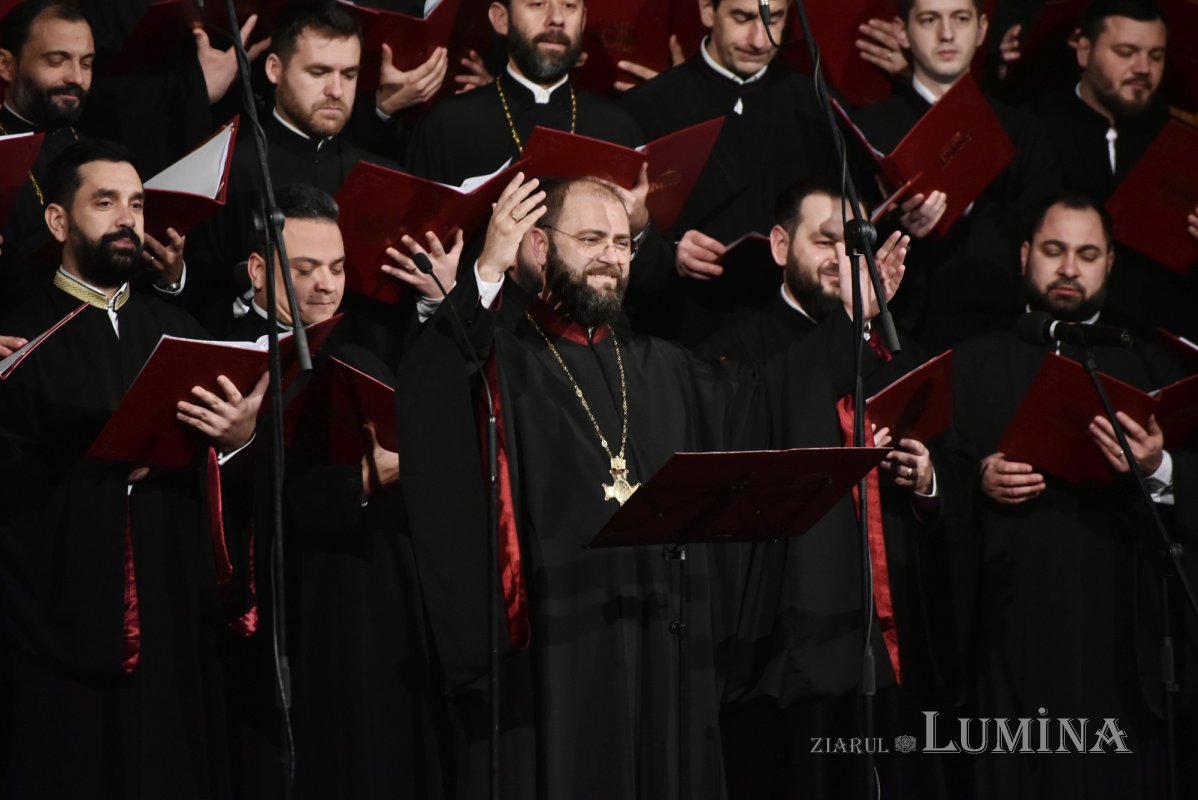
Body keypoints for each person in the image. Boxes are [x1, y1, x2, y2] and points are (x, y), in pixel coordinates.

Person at [395, 172, 908, 798]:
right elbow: (437, 395)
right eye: (590, 239)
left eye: (622, 242)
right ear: (536, 245)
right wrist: (485, 274)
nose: (611, 257)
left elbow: (766, 400)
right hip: (563, 644)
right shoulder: (503, 358)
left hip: (664, 633)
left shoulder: (662, 365)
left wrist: (850, 319)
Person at [0, 139, 266, 799]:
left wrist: (236, 440)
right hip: (73, 625)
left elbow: (222, 478)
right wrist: (109, 475)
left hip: (178, 610)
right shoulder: (21, 341)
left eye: (137, 203)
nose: (127, 218)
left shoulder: (178, 329)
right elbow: (12, 498)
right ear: (59, 222)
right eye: (106, 202)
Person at [698, 178, 954, 798]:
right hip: (793, 645)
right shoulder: (735, 348)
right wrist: (848, 320)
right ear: (781, 246)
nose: (845, 261)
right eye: (826, 242)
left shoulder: (899, 350)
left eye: (856, 245)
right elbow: (757, 444)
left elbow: (947, 472)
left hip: (892, 637)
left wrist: (926, 482)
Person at [944, 194, 1198, 798]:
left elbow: (1185, 477)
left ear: (1110, 263)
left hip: (1122, 622)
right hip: (1012, 622)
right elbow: (936, 475)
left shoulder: (1151, 367)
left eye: (1087, 254)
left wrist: (1157, 465)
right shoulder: (972, 363)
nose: (1068, 269)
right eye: (1054, 251)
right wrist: (978, 478)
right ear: (1026, 255)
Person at [217, 183, 447, 800]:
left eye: (338, 267)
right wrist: (366, 480)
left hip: (382, 605)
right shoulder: (222, 356)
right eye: (305, 268)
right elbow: (255, 506)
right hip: (291, 619)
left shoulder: (361, 353)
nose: (326, 284)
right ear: (261, 271)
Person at [618, 0, 837, 343]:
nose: (759, 39)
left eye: (773, 19)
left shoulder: (816, 104)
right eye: (742, 17)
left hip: (794, 338)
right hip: (684, 332)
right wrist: (670, 250)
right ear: (708, 11)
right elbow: (618, 227)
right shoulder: (646, 108)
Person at [851, 0, 1060, 350]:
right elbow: (849, 228)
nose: (946, 34)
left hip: (1000, 328)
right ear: (902, 32)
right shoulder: (868, 131)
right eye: (930, 19)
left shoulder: (1024, 131)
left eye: (960, 19)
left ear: (981, 29)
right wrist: (899, 224)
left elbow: (1043, 228)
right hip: (898, 330)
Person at [1034, 0, 1198, 339]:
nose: (1143, 68)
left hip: (1157, 336)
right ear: (1084, 49)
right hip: (1057, 328)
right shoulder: (1036, 128)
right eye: (1126, 52)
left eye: (1156, 56)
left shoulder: (1180, 143)